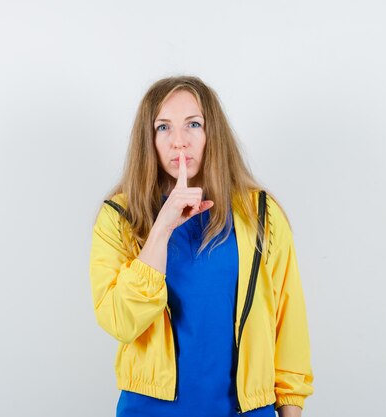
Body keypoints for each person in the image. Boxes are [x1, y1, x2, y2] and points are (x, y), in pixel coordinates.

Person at [88, 75, 314, 417]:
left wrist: (291, 409)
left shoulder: (261, 214)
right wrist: (162, 227)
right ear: (147, 140)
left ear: (213, 134)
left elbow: (289, 323)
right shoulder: (119, 216)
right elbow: (121, 320)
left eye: (193, 124)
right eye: (163, 127)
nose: (179, 141)